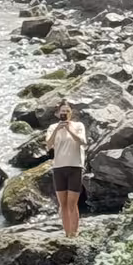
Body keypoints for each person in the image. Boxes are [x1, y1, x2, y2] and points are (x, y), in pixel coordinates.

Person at [45, 101, 87, 237]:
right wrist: (58, 129)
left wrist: (69, 129)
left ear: (71, 113)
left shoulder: (78, 126)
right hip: (58, 167)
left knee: (72, 203)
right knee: (63, 203)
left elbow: (82, 141)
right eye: (62, 112)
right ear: (58, 114)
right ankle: (67, 233)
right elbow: (48, 144)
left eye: (67, 111)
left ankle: (74, 233)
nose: (64, 114)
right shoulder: (52, 127)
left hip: (75, 166)